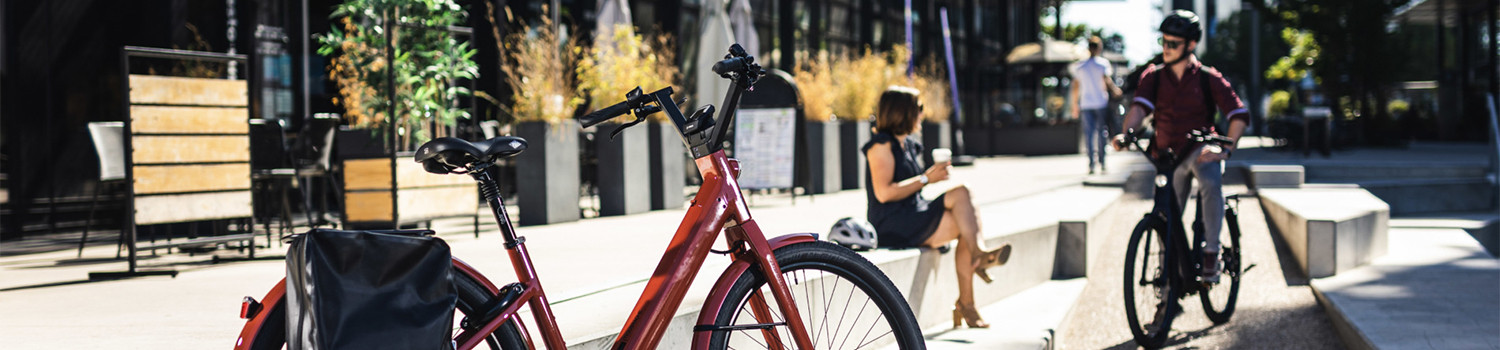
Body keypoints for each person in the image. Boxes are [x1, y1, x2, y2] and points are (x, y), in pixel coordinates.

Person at [1112, 10, 1249, 282]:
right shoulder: (1153, 77)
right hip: (1167, 155)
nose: (1166, 48)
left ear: (1190, 45)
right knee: (1164, 217)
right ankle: (1168, 281)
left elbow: (1238, 115)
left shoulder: (1208, 77)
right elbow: (1139, 109)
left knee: (1210, 182)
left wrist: (1225, 150)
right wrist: (1126, 133)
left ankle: (1212, 253)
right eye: (1163, 42)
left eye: (1173, 44)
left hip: (1200, 149)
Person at [863, 86, 1012, 329]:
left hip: (914, 212)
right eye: (918, 109)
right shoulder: (880, 146)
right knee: (963, 202)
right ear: (902, 113)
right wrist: (926, 179)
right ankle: (971, 287)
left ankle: (970, 290)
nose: (922, 114)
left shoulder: (908, 145)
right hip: (892, 221)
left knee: (966, 219)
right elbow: (884, 192)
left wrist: (929, 177)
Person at [1071, 36, 1123, 174]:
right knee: (1102, 133)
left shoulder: (1080, 66)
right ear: (1099, 48)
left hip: (1086, 103)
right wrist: (1115, 90)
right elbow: (1107, 80)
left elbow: (1075, 87)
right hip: (1100, 102)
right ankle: (1102, 162)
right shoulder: (1103, 64)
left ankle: (1091, 164)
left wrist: (1074, 105)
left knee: (1089, 134)